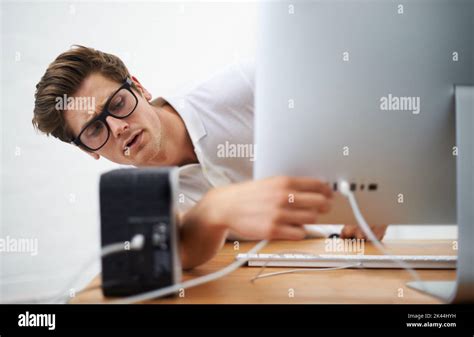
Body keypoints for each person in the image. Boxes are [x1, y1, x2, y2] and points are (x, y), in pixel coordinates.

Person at [33, 46, 386, 269]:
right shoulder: (135, 194)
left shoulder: (243, 87)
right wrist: (215, 209)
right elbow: (177, 257)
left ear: (138, 87)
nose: (118, 128)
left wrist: (377, 187)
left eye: (118, 104)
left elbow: (356, 102)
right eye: (95, 130)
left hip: (356, 257)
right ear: (87, 150)